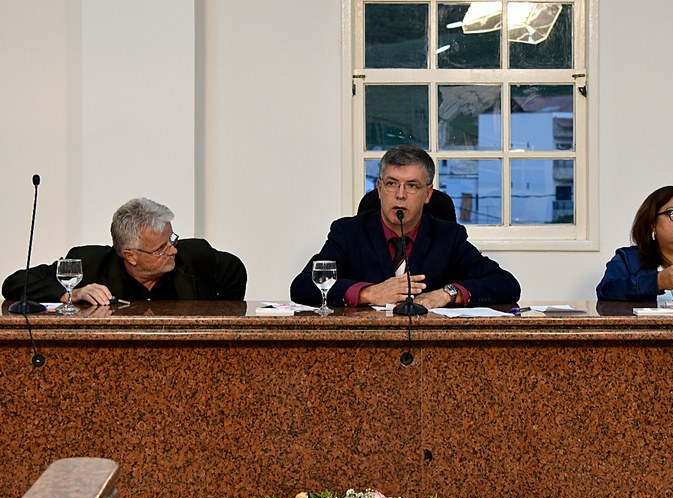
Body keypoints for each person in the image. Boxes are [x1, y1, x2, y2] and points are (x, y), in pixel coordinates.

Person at [290, 145, 521, 309]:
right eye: (392, 184)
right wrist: (368, 293)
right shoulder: (348, 232)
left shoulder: (448, 236)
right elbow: (302, 286)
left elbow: (506, 284)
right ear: (379, 189)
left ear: (427, 194)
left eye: (412, 186)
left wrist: (447, 294)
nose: (400, 195)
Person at [2, 198, 247, 304]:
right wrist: (71, 294)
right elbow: (14, 283)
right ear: (131, 256)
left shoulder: (195, 255)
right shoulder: (90, 263)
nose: (173, 250)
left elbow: (236, 271)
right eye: (160, 249)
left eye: (171, 239)